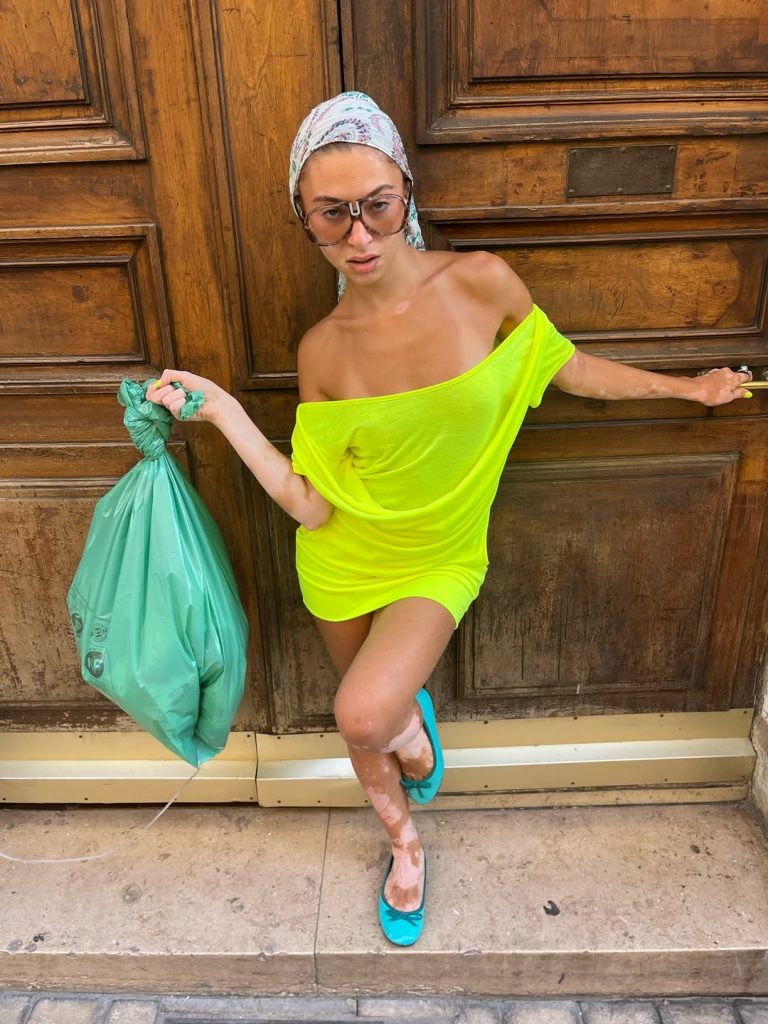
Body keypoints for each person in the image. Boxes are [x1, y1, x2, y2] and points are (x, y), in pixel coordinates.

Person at [148, 91, 752, 947]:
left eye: (377, 205)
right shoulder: (323, 349)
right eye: (331, 214)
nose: (359, 235)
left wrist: (690, 389)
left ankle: (407, 747)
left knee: (363, 715)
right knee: (369, 724)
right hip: (343, 560)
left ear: (407, 191)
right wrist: (224, 412)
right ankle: (404, 836)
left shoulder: (481, 283)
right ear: (304, 218)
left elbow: (567, 368)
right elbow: (312, 502)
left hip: (440, 556)